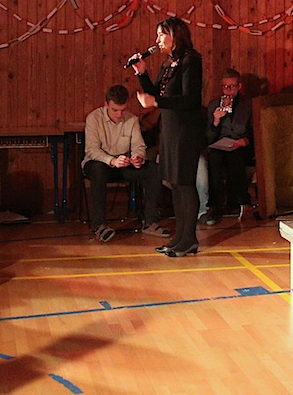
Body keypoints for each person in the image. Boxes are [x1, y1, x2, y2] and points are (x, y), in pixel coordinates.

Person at [133, 16, 205, 257]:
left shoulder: (191, 60)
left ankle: (190, 238)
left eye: (161, 34)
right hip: (170, 131)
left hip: (186, 131)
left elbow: (189, 99)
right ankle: (179, 237)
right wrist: (142, 73)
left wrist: (156, 102)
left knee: (185, 183)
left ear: (175, 35)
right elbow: (156, 94)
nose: (157, 40)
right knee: (174, 183)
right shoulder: (168, 64)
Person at [81, 84, 161, 243]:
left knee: (153, 169)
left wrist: (138, 157)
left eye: (123, 110)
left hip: (123, 163)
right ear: (106, 105)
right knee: (98, 170)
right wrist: (111, 161)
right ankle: (99, 225)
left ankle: (150, 222)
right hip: (98, 163)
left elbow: (139, 146)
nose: (119, 114)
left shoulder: (132, 119)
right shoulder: (93, 118)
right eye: (115, 110)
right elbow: (92, 150)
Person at [201, 67, 257, 227]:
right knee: (214, 159)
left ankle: (242, 202)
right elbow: (208, 138)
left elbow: (255, 130)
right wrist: (216, 122)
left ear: (239, 86)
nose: (228, 90)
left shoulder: (249, 104)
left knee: (235, 157)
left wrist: (246, 141)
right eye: (225, 87)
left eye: (232, 86)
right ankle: (214, 205)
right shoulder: (214, 105)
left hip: (241, 145)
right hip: (220, 145)